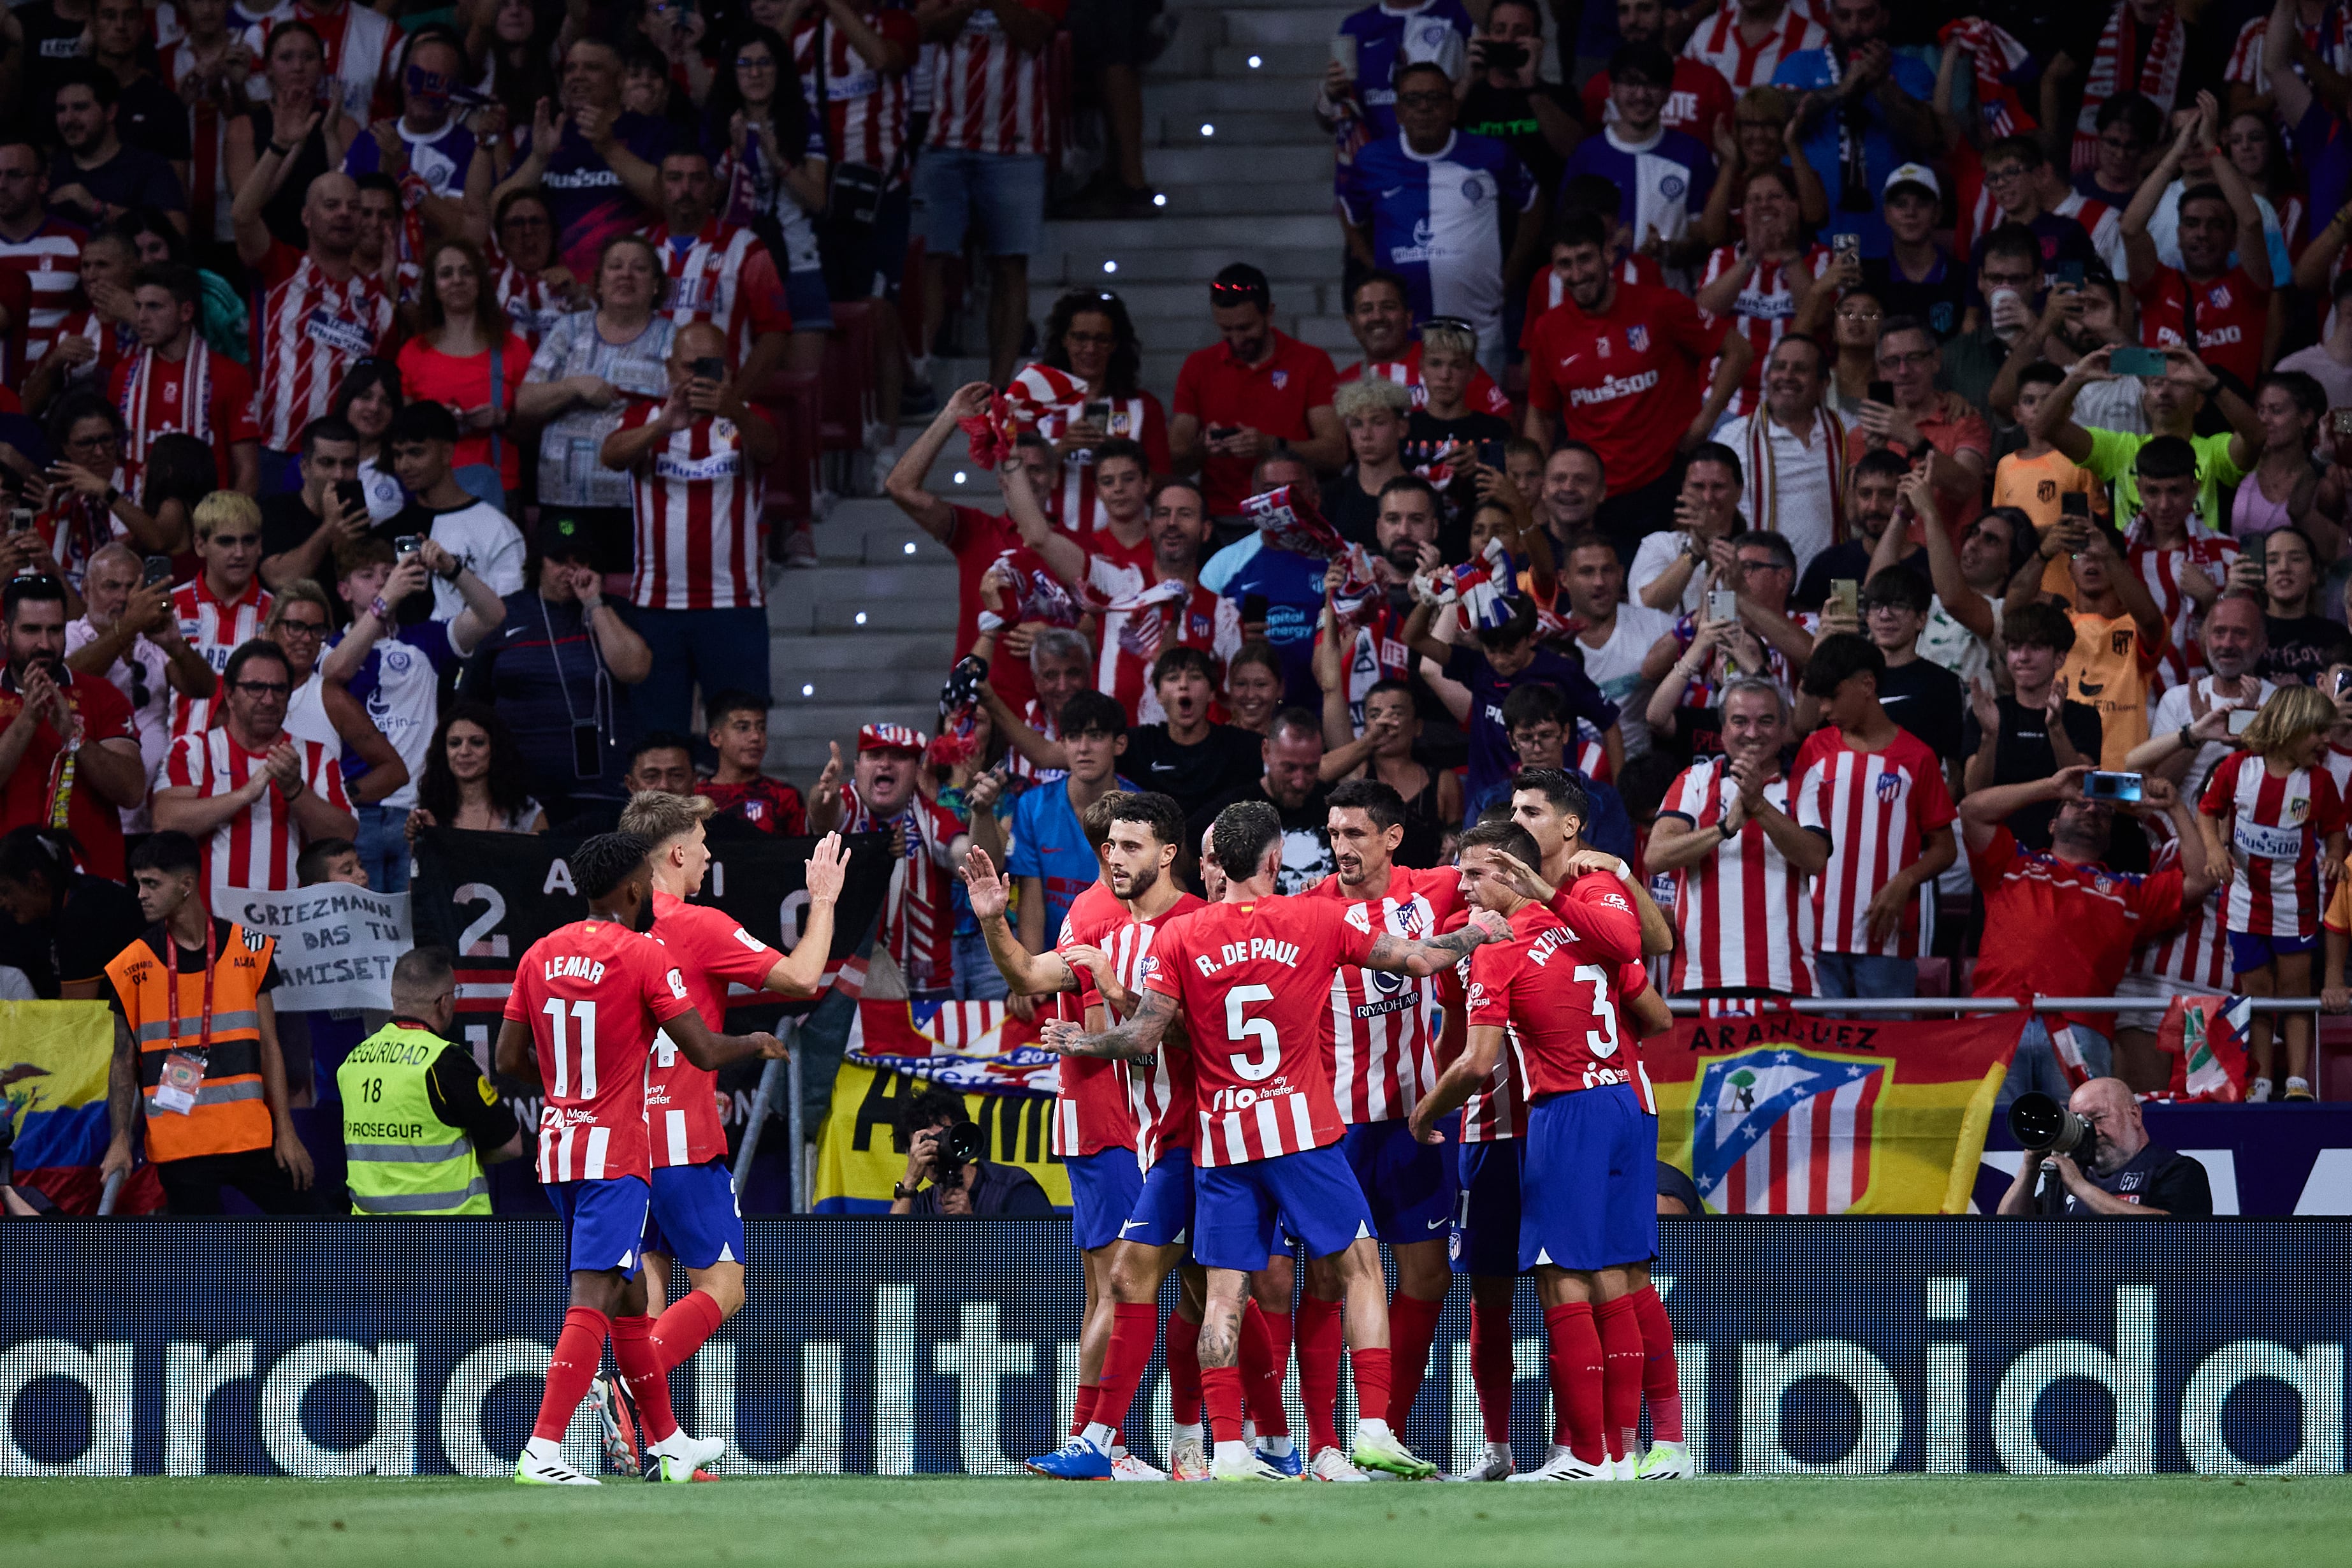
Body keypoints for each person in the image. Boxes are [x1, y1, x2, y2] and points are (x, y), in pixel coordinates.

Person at [1034, 798, 1506, 1482]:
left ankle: (1229, 1450)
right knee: (1362, 1269)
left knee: (1224, 1296)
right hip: (1301, 1132)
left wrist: (1087, 1040)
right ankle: (1372, 1429)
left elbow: (1140, 1039)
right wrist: (1478, 934)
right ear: (1276, 861)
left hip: (1221, 1141)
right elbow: (1422, 960)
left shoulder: (1182, 937)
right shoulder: (1317, 917)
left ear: (1214, 862)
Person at [493, 831, 786, 1486]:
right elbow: (705, 1051)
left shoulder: (540, 954)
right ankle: (542, 1450)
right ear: (633, 889)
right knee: (593, 1297)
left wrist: (570, 1087)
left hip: (559, 1146)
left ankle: (670, 1446)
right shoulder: (642, 954)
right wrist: (757, 1041)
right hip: (617, 1155)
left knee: (629, 1301)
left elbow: (507, 1062)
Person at [1407, 818, 1646, 1481]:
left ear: (1511, 875)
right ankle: (1619, 1452)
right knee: (1612, 1274)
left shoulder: (1499, 945)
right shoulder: (1586, 921)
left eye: (1477, 873)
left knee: (1558, 1274)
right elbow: (1637, 965)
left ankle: (1586, 1456)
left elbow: (1477, 1062)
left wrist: (1424, 1113)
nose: (1464, 885)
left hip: (1562, 1111)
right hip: (1622, 1096)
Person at [616, 789, 843, 1436]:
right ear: (678, 852)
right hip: (684, 1144)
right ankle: (626, 1389)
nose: (710, 853)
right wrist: (822, 899)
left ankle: (652, 1442)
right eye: (702, 841)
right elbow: (801, 978)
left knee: (650, 1289)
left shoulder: (612, 929)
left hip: (626, 1146)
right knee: (725, 1288)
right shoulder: (698, 926)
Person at [1293, 778, 1465, 1465]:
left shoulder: (1433, 891)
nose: (1341, 848)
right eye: (1334, 835)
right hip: (1337, 1131)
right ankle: (1323, 1442)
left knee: (1427, 1279)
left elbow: (1508, 864)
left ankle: (1382, 1431)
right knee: (1328, 1282)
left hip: (1414, 1125)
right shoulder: (1307, 913)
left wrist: (1602, 864)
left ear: (1392, 838)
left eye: (1355, 834)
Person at [1964, 762, 2208, 1107]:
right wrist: (2050, 786)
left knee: (2077, 1148)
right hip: (1999, 1019)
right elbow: (1971, 811)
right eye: (2080, 803)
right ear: (2052, 824)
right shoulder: (2012, 863)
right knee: (1988, 1142)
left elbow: (2200, 879)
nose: (2093, 808)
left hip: (2081, 1027)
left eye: (2105, 811)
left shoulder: (2129, 890)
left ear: (2110, 836)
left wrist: (2175, 807)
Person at [98, 830, 315, 1214]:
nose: (140, 894)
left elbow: (269, 1046)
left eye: (151, 883)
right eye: (139, 884)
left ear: (186, 885)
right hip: (181, 1145)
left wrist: (286, 1131)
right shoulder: (130, 965)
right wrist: (119, 1140)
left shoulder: (250, 948)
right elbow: (121, 1061)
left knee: (320, 1220)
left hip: (253, 1136)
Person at [1521, 212, 1752, 560]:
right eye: (1565, 265)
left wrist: (1702, 425)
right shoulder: (1548, 330)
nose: (1577, 274)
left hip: (1666, 482)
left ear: (1608, 255)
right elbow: (1541, 415)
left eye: (1585, 259)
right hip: (1594, 497)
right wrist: (1536, 488)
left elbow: (1739, 350)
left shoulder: (1660, 305)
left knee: (1673, 592)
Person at [600, 321, 778, 739]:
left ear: (728, 370)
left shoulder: (748, 421)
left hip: (734, 605)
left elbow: (771, 448)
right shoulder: (645, 419)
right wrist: (664, 425)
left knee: (740, 738)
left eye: (708, 367)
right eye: (687, 367)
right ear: (669, 370)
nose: (696, 377)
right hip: (657, 607)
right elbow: (611, 455)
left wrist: (732, 408)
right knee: (658, 741)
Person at [1338, 62, 1535, 372]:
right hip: (1403, 337)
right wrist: (1373, 267)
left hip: (1478, 328)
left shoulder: (1492, 155)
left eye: (1435, 98)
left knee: (1483, 417)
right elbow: (1349, 213)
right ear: (1399, 112)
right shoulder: (1372, 161)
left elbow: (1534, 205)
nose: (1425, 108)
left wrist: (1511, 273)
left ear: (1453, 108)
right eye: (1413, 100)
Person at [906, 0, 1064, 388]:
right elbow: (920, 26)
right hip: (945, 139)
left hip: (1018, 143)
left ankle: (1000, 386)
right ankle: (920, 372)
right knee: (929, 256)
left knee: (1009, 265)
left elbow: (1033, 34)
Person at [2200, 686, 2346, 1103]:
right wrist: (2214, 848)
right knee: (2258, 991)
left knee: (2296, 990)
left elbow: (2335, 829)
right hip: (2244, 900)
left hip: (2295, 903)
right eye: (2318, 732)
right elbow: (2208, 811)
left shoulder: (2320, 781)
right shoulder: (2237, 768)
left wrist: (2335, 856)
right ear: (2290, 728)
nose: (2323, 741)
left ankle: (2298, 1081)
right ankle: (2261, 1080)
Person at [1792, 634, 1957, 1001]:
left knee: (1889, 1049)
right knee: (1819, 1051)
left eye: (1831, 696)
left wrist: (1906, 880)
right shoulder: (1814, 750)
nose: (1822, 709)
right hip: (1813, 935)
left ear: (1867, 685)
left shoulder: (1918, 758)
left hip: (1886, 939)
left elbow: (1945, 848)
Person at [1646, 675, 1827, 999]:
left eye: (1766, 721)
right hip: (1701, 978)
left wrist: (1758, 806)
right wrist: (1724, 828)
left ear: (1784, 728)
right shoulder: (1695, 780)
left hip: (1786, 977)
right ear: (1723, 730)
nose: (1753, 733)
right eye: (1740, 721)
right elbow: (1656, 856)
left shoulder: (1807, 781)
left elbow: (1815, 859)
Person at [516, 234, 676, 577]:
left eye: (639, 269)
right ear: (599, 284)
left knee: (628, 600)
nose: (626, 275)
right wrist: (574, 386)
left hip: (638, 503)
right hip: (567, 505)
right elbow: (525, 402)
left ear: (655, 285)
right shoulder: (568, 330)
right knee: (565, 591)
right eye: (615, 267)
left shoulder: (674, 339)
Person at [151, 635, 356, 902]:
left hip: (293, 927)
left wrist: (296, 791)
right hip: (214, 927)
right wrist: (245, 794)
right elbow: (165, 822)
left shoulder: (316, 755)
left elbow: (345, 835)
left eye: (279, 689)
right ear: (230, 695)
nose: (269, 700)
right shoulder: (192, 750)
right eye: (256, 688)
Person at [234, 163, 396, 489]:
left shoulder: (378, 304)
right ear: (307, 217)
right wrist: (279, 147)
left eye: (355, 208)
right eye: (332, 206)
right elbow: (242, 216)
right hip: (274, 453)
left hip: (344, 465)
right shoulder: (281, 268)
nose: (345, 214)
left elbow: (386, 392)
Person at [1404, 593, 1620, 825]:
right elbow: (1413, 637)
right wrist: (1430, 596)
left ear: (1531, 638)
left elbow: (1610, 724)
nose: (1500, 660)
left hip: (1553, 804)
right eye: (1492, 649)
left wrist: (1620, 795)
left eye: (1510, 649)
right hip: (1487, 806)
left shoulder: (1562, 672)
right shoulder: (1478, 667)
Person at [338, 946, 523, 1216]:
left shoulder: (353, 1061)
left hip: (373, 1243)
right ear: (444, 1002)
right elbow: (511, 1145)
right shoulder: (445, 1061)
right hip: (447, 1240)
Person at [2119, 94, 2275, 391]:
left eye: (2215, 225)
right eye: (2191, 224)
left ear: (2233, 240)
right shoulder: (2158, 286)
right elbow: (2130, 228)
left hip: (2234, 434)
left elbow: (2252, 222)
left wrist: (2211, 148)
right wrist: (2175, 153)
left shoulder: (2248, 289)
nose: (2202, 234)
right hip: (2169, 430)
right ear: (2178, 234)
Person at [0, 572, 147, 882]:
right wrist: (27, 721)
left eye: (55, 630)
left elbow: (132, 791)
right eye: (31, 630)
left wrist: (73, 735)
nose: (45, 644)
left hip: (89, 887)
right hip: (7, 888)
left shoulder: (103, 696)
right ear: (5, 632)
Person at [806, 722, 968, 999]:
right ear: (857, 767)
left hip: (928, 986)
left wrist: (984, 816)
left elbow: (965, 856)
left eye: (899, 757)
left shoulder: (930, 816)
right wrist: (823, 795)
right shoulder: (847, 801)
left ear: (918, 771)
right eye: (875, 755)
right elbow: (824, 818)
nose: (886, 765)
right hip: (844, 983)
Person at [1170, 266, 1344, 519]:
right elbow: (1175, 460)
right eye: (1226, 330)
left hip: (1292, 514)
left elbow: (1336, 453)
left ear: (1269, 314)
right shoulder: (1199, 366)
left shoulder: (1310, 362)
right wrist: (1203, 448)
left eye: (1245, 328)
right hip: (1221, 518)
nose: (1237, 339)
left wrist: (1271, 446)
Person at [491, 39, 674, 280]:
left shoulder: (653, 131)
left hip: (624, 283)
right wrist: (538, 158)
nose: (577, 76)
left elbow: (672, 199)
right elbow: (497, 210)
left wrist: (609, 147)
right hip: (553, 286)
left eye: (592, 68)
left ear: (620, 79)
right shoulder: (551, 132)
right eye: (570, 69)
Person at [64, 546, 216, 834]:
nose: (123, 597)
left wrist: (174, 643)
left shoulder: (151, 642)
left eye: (132, 587)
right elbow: (68, 680)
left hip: (148, 819)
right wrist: (129, 627)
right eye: (111, 586)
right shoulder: (70, 635)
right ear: (85, 590)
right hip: (91, 813)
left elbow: (204, 688)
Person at [1771, 0, 1938, 254]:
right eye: (1844, 16)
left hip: (1891, 238)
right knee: (1828, 294)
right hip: (1817, 237)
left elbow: (1927, 136)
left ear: (1884, 17)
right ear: (1830, 17)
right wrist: (1841, 90)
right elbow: (1775, 114)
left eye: (1866, 16)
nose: (1855, 27)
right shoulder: (1800, 64)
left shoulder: (1911, 70)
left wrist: (1882, 87)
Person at [2006, 514, 2169, 767]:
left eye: (2098, 553)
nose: (2090, 560)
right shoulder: (2054, 625)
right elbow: (2011, 612)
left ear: (2120, 563)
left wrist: (2108, 556)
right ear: (2068, 568)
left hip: (2121, 779)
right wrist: (2044, 554)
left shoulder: (2135, 625)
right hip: (2062, 776)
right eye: (2079, 553)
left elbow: (2151, 622)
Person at [646, 144, 801, 394]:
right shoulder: (637, 249)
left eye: (697, 179)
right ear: (658, 186)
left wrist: (734, 401)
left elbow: (775, 333)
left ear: (712, 187)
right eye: (675, 178)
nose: (685, 189)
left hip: (714, 392)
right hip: (643, 397)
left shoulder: (747, 248)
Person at [1558, 41, 1714, 272]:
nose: (1641, 95)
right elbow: (1566, 236)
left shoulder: (1692, 154)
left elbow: (1706, 240)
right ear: (1612, 90)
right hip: (1599, 302)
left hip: (1667, 299)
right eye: (1631, 83)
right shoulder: (1587, 156)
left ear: (1668, 93)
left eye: (1652, 84)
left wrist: (1669, 251)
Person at [1962, 600, 2104, 852]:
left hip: (2062, 852)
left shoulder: (2083, 717)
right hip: (1998, 850)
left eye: (2036, 648)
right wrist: (1990, 736)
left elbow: (2080, 787)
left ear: (2059, 658)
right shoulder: (1989, 713)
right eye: (2015, 648)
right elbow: (1974, 792)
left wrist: (2056, 727)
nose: (2023, 657)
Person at [398, 240, 532, 502]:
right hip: (430, 492)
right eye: (446, 274)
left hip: (499, 489)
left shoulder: (513, 349)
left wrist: (501, 418)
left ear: (481, 282)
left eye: (467, 272)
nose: (457, 280)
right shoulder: (413, 352)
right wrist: (435, 422)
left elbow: (535, 434)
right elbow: (401, 436)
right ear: (434, 288)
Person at [112, 263, 260, 498]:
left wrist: (225, 525)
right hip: (137, 518)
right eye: (138, 306)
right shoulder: (124, 373)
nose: (141, 318)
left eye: (154, 307)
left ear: (186, 312)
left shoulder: (230, 375)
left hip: (207, 520)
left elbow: (247, 471)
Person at [379, 402, 530, 618]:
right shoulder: (391, 530)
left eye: (415, 453)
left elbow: (511, 612)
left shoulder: (498, 529)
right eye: (398, 455)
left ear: (447, 452)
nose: (403, 466)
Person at [1713, 335, 1846, 578]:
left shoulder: (1848, 432)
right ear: (1767, 377)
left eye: (1800, 369)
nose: (1787, 376)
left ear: (1823, 383)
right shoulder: (1733, 437)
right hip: (1755, 585)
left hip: (1832, 585)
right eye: (1779, 367)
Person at [1844, 316, 1989, 536]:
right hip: (1889, 565)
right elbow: (1855, 516)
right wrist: (1874, 455)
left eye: (1914, 358)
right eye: (1892, 362)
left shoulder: (1964, 422)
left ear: (1936, 360)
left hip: (1947, 565)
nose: (1903, 370)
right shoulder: (1862, 434)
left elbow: (1965, 487)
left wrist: (1912, 438)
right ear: (1880, 370)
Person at [2128, 593, 2276, 805]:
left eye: (2240, 634)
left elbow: (2279, 786)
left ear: (2262, 644)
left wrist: (2244, 720)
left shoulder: (2281, 702)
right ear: (2205, 639)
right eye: (2219, 632)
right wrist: (2198, 735)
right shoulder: (2177, 700)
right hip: (2178, 831)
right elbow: (2157, 786)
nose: (2228, 643)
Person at [1995, 1077, 2216, 1217]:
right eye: (2079, 1121)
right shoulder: (2071, 1174)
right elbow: (2009, 1232)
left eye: (2099, 1118)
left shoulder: (2177, 1170)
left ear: (2135, 1115)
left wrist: (2080, 1187)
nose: (2091, 1130)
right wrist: (2030, 1168)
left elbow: (2173, 1234)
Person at [1186, 709, 1337, 894]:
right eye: (1289, 768)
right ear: (1266, 752)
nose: (1299, 781)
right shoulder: (1231, 809)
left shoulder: (1335, 808)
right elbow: (1178, 864)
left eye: (1311, 769)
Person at [1112, 646, 1266, 822]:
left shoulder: (1243, 746)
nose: (1184, 685)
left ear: (1211, 693)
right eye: (1173, 678)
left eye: (1195, 677)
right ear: (1158, 695)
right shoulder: (1138, 745)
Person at [0, 825, 142, 999]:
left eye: (5, 891)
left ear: (36, 881)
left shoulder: (88, 912)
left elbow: (75, 1016)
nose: (3, 903)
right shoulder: (57, 908)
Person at [45, 63, 186, 233]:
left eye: (80, 108)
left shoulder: (150, 169)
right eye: (61, 110)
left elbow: (176, 234)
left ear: (111, 112)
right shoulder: (48, 172)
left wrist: (98, 209)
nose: (68, 119)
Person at [0, 140, 85, 379]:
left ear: (42, 183)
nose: (2, 185)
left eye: (15, 175)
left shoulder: (79, 243)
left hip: (56, 392)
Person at [257, 417, 369, 593]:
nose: (339, 474)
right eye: (327, 463)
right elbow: (280, 580)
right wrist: (329, 528)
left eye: (348, 464)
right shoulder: (274, 511)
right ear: (304, 468)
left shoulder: (359, 516)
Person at [406, 701, 548, 839]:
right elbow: (423, 862)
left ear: (495, 749)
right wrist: (432, 834)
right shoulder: (428, 814)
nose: (464, 751)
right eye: (455, 743)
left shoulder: (527, 814)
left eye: (477, 743)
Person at [696, 689, 804, 836]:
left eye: (761, 728)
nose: (755, 737)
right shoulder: (696, 798)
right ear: (715, 737)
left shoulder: (786, 797)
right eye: (743, 728)